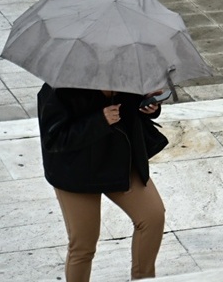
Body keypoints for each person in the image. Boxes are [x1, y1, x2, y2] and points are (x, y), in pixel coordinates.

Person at [38, 84, 168, 281]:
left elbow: (133, 112)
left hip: (120, 160)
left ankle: (143, 278)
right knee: (83, 244)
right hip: (77, 173)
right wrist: (100, 120)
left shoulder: (126, 75)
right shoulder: (57, 89)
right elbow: (53, 139)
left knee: (153, 217)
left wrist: (149, 107)